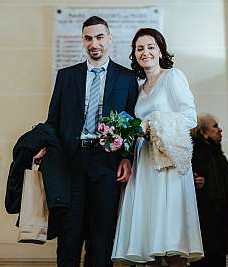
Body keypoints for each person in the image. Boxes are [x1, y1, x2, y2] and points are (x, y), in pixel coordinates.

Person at [41, 16, 139, 267]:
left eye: (99, 37)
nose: (94, 43)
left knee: (102, 237)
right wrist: (44, 146)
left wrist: (127, 157)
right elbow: (53, 121)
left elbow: (133, 124)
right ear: (82, 41)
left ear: (109, 38)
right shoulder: (66, 76)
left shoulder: (127, 79)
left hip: (107, 163)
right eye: (88, 38)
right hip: (71, 162)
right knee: (69, 235)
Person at [111, 28, 203, 267]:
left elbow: (190, 118)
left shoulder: (173, 77)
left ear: (160, 50)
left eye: (151, 46)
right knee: (148, 239)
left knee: (171, 236)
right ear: (134, 54)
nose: (145, 52)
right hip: (144, 163)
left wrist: (151, 122)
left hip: (168, 163)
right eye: (139, 48)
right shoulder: (139, 89)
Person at [189, 114, 228, 267]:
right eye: (215, 126)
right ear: (204, 132)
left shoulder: (216, 152)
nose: (220, 130)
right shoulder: (197, 151)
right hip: (206, 221)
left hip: (219, 220)